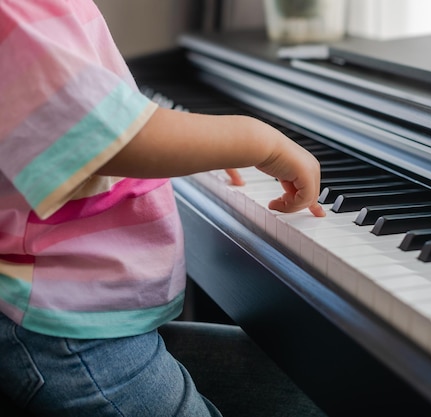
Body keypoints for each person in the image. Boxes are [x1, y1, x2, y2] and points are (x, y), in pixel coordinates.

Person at [0, 1, 327, 416]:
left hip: (84, 313)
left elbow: (99, 110)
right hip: (66, 329)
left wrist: (196, 143)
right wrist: (255, 140)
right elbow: (103, 137)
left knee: (310, 393)